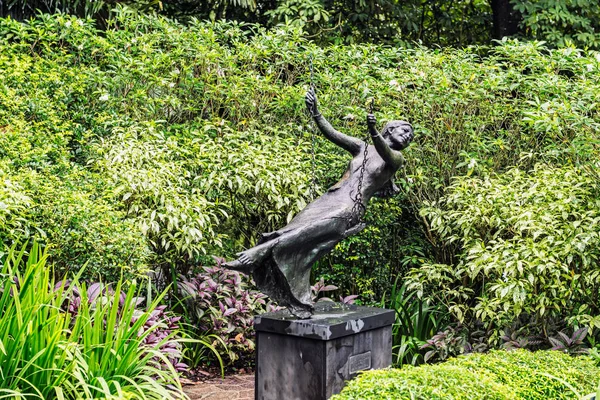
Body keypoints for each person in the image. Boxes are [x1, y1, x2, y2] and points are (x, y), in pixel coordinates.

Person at [224, 88, 414, 318]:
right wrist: (316, 113)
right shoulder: (363, 148)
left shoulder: (396, 159)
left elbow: (386, 153)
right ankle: (297, 296)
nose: (407, 137)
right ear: (391, 129)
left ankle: (258, 253)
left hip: (350, 207)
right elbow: (333, 134)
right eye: (405, 131)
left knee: (308, 233)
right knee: (296, 232)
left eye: (410, 137)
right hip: (331, 197)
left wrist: (374, 131)